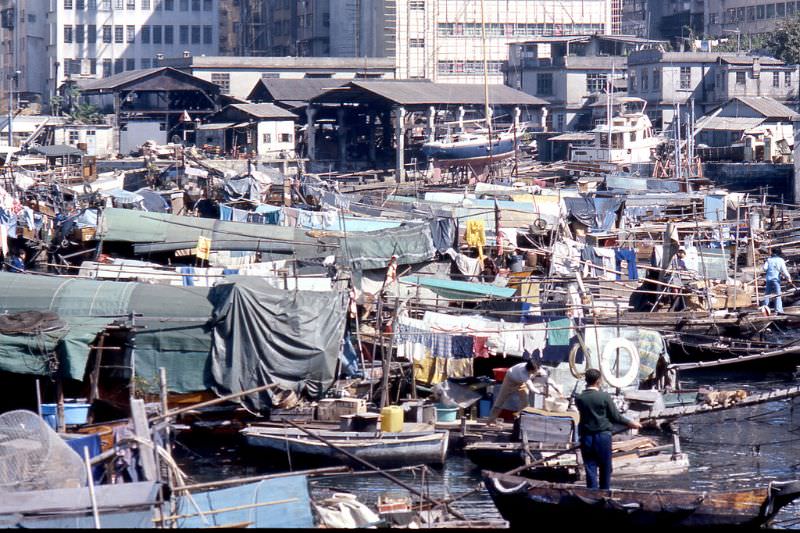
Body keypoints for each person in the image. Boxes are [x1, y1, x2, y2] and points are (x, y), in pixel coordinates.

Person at [575, 368, 641, 490]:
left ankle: (592, 495)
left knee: (590, 468)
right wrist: (632, 423)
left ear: (587, 380)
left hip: (586, 437)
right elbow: (616, 417)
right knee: (605, 467)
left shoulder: (579, 398)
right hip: (602, 437)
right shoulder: (604, 396)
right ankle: (604, 493)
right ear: (598, 381)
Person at [486, 360, 563, 424]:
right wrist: (542, 393)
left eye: (536, 371)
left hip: (522, 383)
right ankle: (490, 421)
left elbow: (548, 380)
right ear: (529, 370)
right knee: (500, 401)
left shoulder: (539, 369)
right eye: (533, 371)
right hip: (510, 380)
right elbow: (531, 388)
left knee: (525, 403)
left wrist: (556, 389)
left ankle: (519, 419)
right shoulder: (523, 372)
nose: (535, 372)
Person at [763, 248, 794, 314]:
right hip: (776, 280)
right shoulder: (781, 260)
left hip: (768, 279)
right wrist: (789, 278)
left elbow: (764, 268)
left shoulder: (769, 260)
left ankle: (765, 308)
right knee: (778, 295)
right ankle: (778, 310)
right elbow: (784, 270)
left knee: (767, 295)